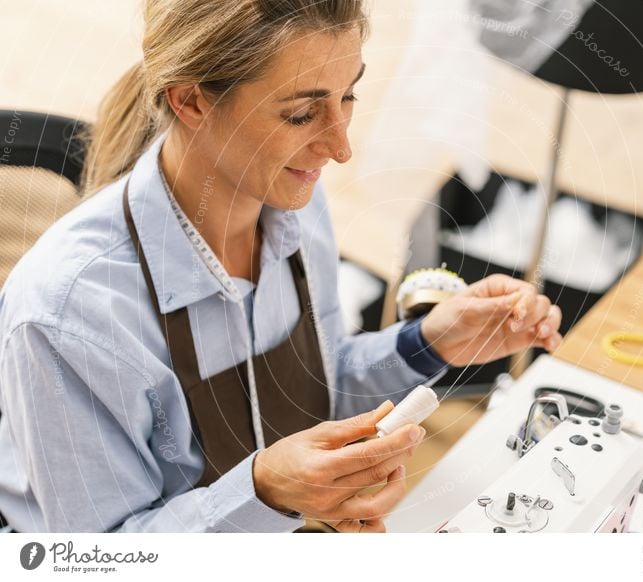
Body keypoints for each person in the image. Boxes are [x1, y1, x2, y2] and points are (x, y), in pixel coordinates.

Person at [0, 0, 562, 533]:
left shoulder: (292, 200)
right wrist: (266, 491)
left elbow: (316, 384)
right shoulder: (69, 314)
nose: (341, 147)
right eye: (301, 114)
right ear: (191, 101)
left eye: (349, 97)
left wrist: (427, 344)